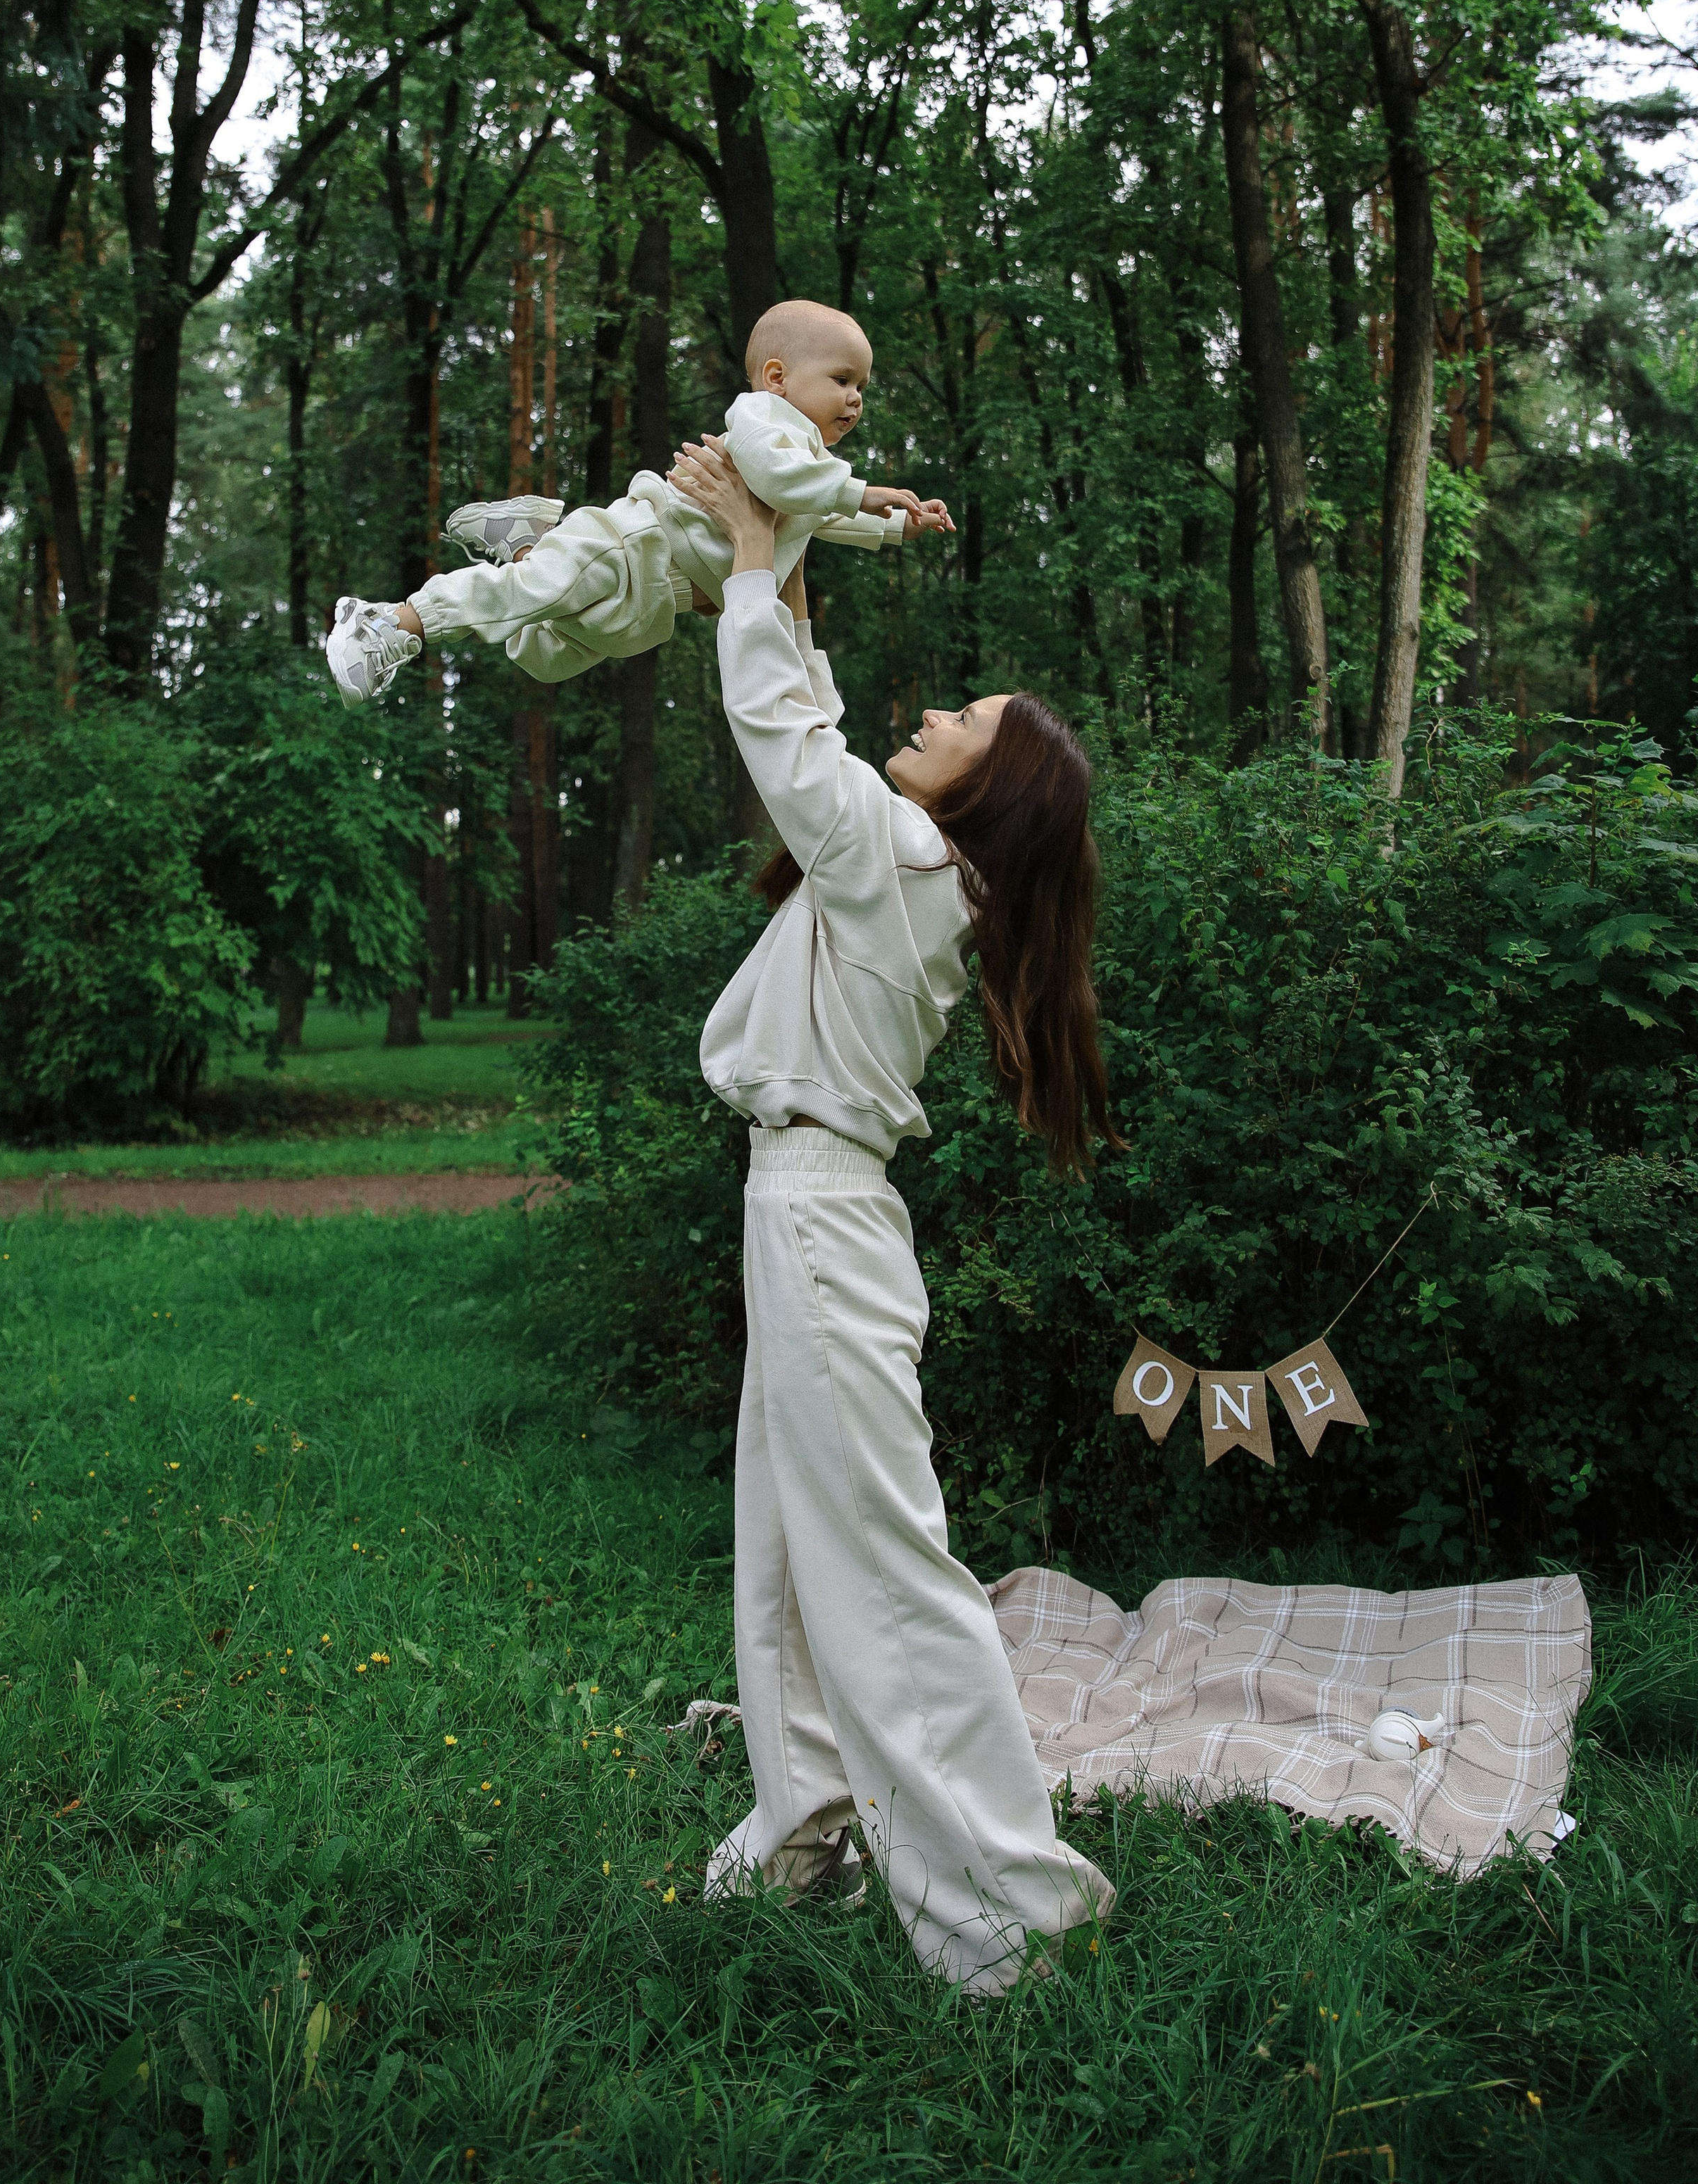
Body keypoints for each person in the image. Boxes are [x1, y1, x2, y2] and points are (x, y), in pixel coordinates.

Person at [665, 429, 1121, 1997]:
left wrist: (745, 557)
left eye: (960, 722)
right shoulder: (915, 866)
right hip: (802, 1211)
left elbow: (789, 741)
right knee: (787, 1555)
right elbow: (815, 714)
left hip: (819, 1218)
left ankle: (1004, 1919)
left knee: (880, 1563)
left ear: (982, 791)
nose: (927, 718)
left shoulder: (910, 863)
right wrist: (788, 531)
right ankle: (801, 1841)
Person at [322, 298, 952, 708]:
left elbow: (819, 511)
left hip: (663, 593)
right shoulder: (763, 420)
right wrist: (863, 490)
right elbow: (786, 480)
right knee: (527, 592)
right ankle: (389, 621)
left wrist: (895, 527)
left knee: (544, 655)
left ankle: (520, 539)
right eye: (842, 380)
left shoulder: (810, 466)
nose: (855, 399)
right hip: (633, 540)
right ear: (778, 378)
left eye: (862, 387)